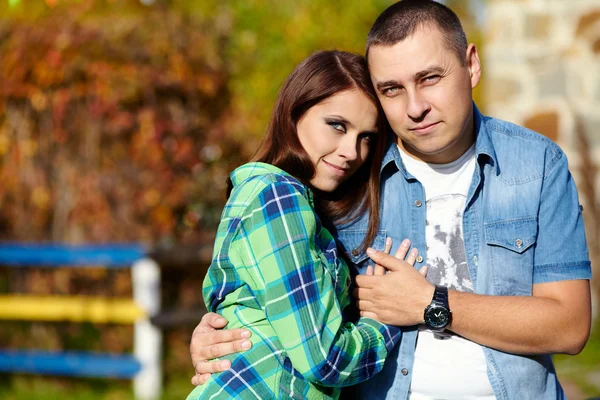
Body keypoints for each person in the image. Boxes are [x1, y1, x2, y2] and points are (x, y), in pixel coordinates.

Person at [189, 1, 592, 399]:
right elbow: (283, 282)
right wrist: (220, 332)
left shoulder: (536, 164)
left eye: (430, 78)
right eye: (392, 89)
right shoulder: (348, 173)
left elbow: (570, 326)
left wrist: (430, 303)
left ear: (471, 65)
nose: (415, 107)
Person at [186, 50, 427, 400]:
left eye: (366, 137)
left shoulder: (296, 204)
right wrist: (385, 320)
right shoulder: (277, 197)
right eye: (337, 125)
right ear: (294, 113)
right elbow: (324, 359)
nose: (351, 151)